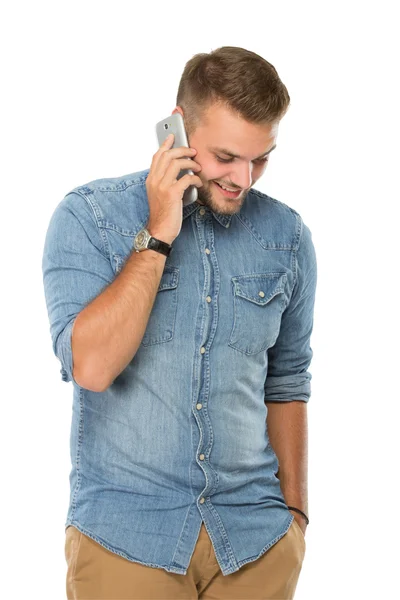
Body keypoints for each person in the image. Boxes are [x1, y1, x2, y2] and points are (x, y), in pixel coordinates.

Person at [42, 46, 317, 600]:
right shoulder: (89, 218)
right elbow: (91, 367)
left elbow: (287, 382)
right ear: (178, 128)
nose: (243, 178)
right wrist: (158, 232)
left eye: (260, 158)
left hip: (255, 544)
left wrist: (295, 516)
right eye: (225, 157)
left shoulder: (286, 237)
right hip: (127, 540)